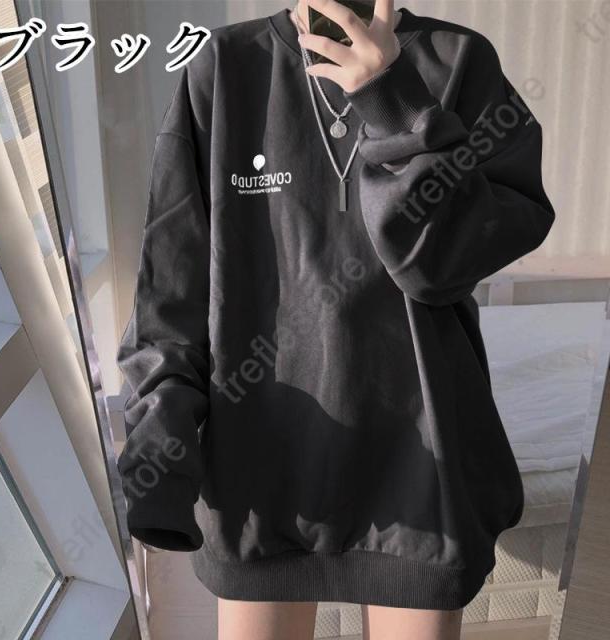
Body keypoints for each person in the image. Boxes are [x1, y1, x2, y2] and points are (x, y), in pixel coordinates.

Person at [116, 0, 555, 638]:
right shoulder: (225, 67)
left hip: (424, 478)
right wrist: (160, 452)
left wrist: (392, 102)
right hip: (258, 478)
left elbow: (442, 267)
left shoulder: (460, 60)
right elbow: (171, 283)